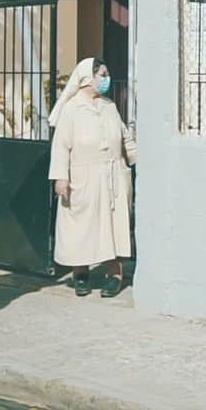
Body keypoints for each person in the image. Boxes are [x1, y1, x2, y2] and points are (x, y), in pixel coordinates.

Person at [48, 57, 136, 298]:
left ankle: (114, 274)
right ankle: (81, 274)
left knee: (112, 225)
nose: (106, 79)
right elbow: (61, 146)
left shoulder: (109, 106)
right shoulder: (72, 109)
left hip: (111, 175)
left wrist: (137, 160)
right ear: (88, 78)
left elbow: (124, 137)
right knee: (82, 227)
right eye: (103, 74)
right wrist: (60, 177)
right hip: (82, 176)